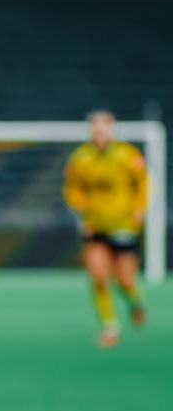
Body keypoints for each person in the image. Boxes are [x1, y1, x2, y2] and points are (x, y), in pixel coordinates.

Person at [63, 109, 147, 347]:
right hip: (95, 226)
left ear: (112, 129)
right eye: (95, 127)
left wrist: (139, 209)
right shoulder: (80, 158)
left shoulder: (127, 154)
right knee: (98, 276)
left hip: (123, 225)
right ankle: (110, 326)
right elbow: (72, 188)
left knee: (124, 280)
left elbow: (142, 184)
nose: (100, 132)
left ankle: (136, 302)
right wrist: (80, 207)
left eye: (104, 127)